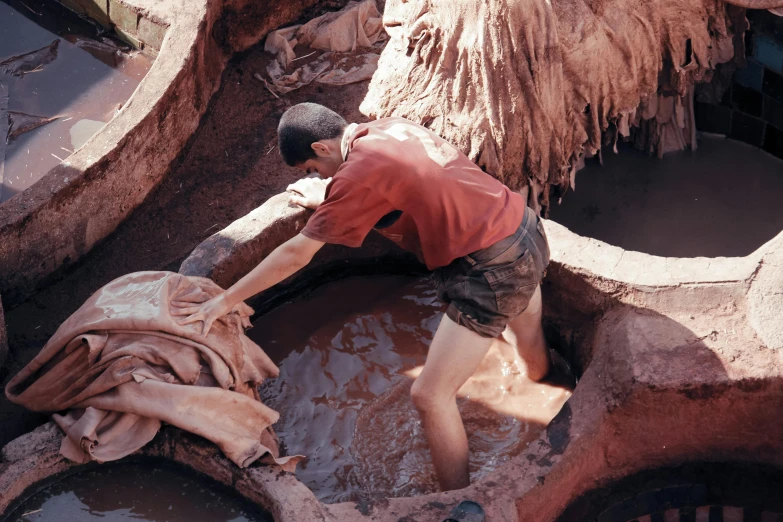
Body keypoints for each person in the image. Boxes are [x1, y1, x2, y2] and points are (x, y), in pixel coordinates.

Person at [174, 102, 551, 491]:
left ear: (321, 147)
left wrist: (224, 300)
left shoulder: (359, 174)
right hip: (523, 228)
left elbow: (294, 255)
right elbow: (401, 185)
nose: (316, 177)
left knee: (429, 396)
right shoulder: (385, 129)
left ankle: (456, 499)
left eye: (311, 170)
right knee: (525, 335)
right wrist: (331, 200)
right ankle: (544, 397)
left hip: (491, 266)